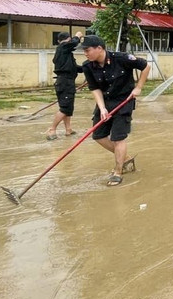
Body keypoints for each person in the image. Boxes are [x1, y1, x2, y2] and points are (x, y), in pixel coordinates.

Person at [81, 35, 151, 187]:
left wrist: (138, 87)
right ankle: (125, 158)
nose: (85, 53)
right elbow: (95, 88)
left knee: (118, 138)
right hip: (105, 102)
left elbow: (145, 66)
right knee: (98, 135)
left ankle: (118, 171)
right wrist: (102, 108)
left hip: (123, 101)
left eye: (87, 50)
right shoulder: (87, 66)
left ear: (99, 48)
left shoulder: (122, 58)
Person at [46, 31, 83, 140]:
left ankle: (68, 129)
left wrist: (88, 67)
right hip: (65, 82)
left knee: (68, 107)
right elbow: (73, 43)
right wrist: (78, 36)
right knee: (65, 108)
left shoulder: (65, 54)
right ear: (68, 39)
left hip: (65, 82)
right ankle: (52, 129)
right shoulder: (62, 48)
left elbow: (75, 68)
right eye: (70, 40)